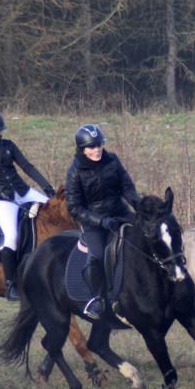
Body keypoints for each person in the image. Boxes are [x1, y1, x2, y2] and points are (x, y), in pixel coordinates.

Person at [0, 108, 56, 301]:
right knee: (12, 236)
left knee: (55, 210)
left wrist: (47, 187)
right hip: (0, 200)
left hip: (22, 191)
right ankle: (10, 284)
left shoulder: (8, 145)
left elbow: (27, 166)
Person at [65, 124, 141, 323]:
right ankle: (97, 298)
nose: (96, 149)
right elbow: (74, 208)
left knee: (148, 234)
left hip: (120, 213)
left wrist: (139, 205)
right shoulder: (74, 172)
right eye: (91, 147)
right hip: (94, 223)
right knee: (98, 255)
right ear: (82, 149)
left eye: (98, 145)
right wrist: (101, 221)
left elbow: (126, 186)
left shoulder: (113, 160)